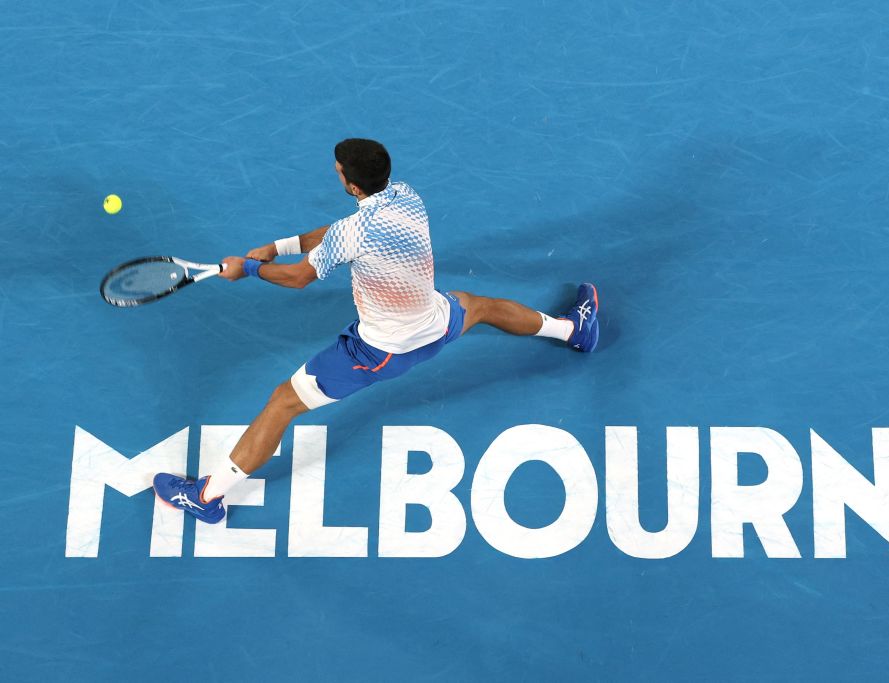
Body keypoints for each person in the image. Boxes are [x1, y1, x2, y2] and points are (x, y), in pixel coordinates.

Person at [152, 138, 599, 523]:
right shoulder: (405, 195)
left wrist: (248, 269)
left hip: (378, 352)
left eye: (338, 172)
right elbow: (337, 232)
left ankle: (206, 497)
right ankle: (573, 331)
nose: (336, 174)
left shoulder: (353, 232)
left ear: (351, 185)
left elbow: (299, 278)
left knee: (282, 403)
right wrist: (276, 246)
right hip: (436, 321)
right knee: (481, 306)